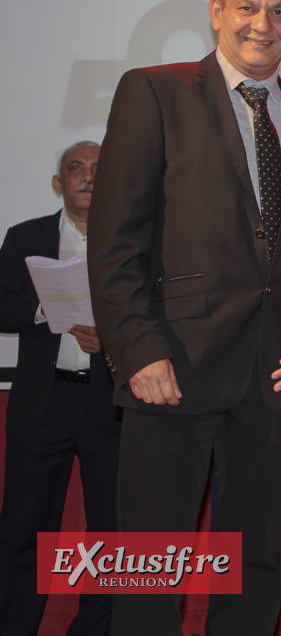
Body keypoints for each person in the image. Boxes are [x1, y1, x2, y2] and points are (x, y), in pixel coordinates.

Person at [87, 0, 281, 636]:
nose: (263, 24)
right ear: (216, 12)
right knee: (151, 568)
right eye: (247, 7)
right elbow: (115, 238)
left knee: (256, 568)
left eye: (279, 11)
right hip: (170, 371)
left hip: (277, 384)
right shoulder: (153, 92)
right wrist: (136, 347)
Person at [0, 141, 119, 636]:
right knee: (22, 530)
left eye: (98, 168)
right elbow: (2, 310)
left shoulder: (136, 239)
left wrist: (115, 338)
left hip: (110, 403)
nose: (88, 176)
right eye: (76, 168)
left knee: (112, 535)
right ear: (58, 183)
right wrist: (41, 311)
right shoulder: (24, 236)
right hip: (43, 402)